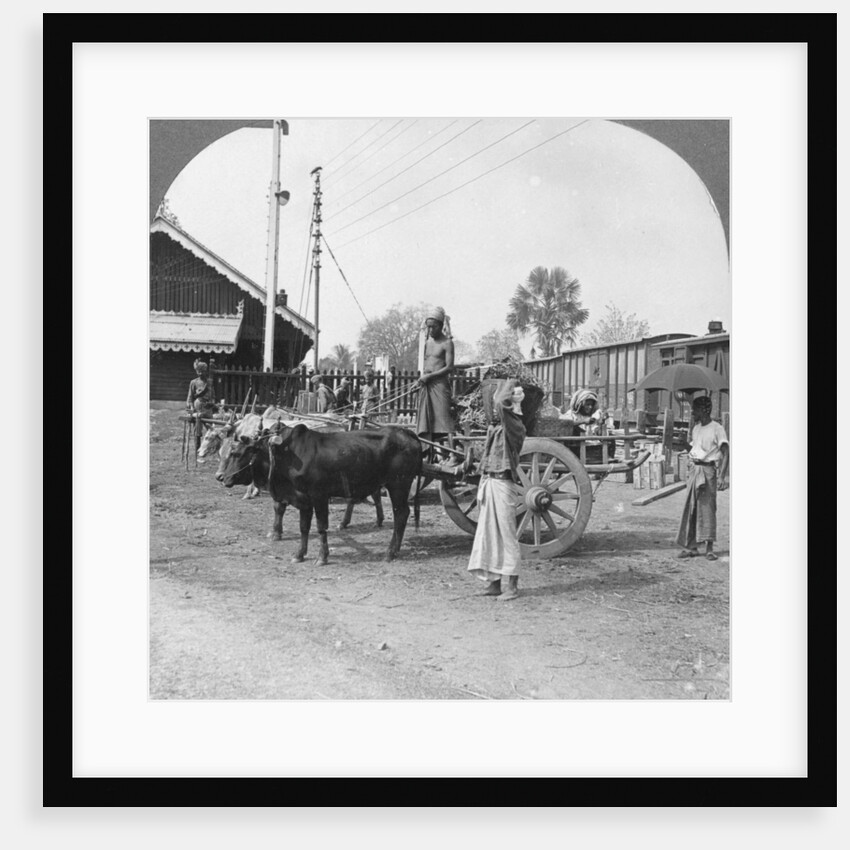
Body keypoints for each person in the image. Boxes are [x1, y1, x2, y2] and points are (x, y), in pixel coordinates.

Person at [467, 380, 527, 601]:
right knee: (488, 533)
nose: (494, 409)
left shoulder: (515, 426)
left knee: (506, 535)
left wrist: (508, 382)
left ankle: (511, 587)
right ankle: (494, 583)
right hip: (490, 482)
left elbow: (501, 403)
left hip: (503, 484)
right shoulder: (497, 428)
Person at [676, 395, 729, 561]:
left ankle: (709, 548)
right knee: (691, 508)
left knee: (707, 509)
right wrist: (682, 442)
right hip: (694, 470)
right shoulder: (696, 428)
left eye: (695, 409)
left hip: (708, 471)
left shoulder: (717, 428)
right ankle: (691, 547)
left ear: (704, 410)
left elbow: (726, 452)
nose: (692, 412)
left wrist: (722, 477)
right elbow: (693, 449)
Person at [416, 306, 455, 441]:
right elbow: (427, 365)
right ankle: (433, 454)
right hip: (427, 385)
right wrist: (420, 380)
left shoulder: (447, 343)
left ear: (441, 325)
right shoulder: (428, 342)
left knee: (444, 419)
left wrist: (430, 376)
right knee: (427, 420)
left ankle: (453, 455)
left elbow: (449, 367)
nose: (430, 330)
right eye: (428, 327)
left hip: (440, 385)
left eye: (433, 327)